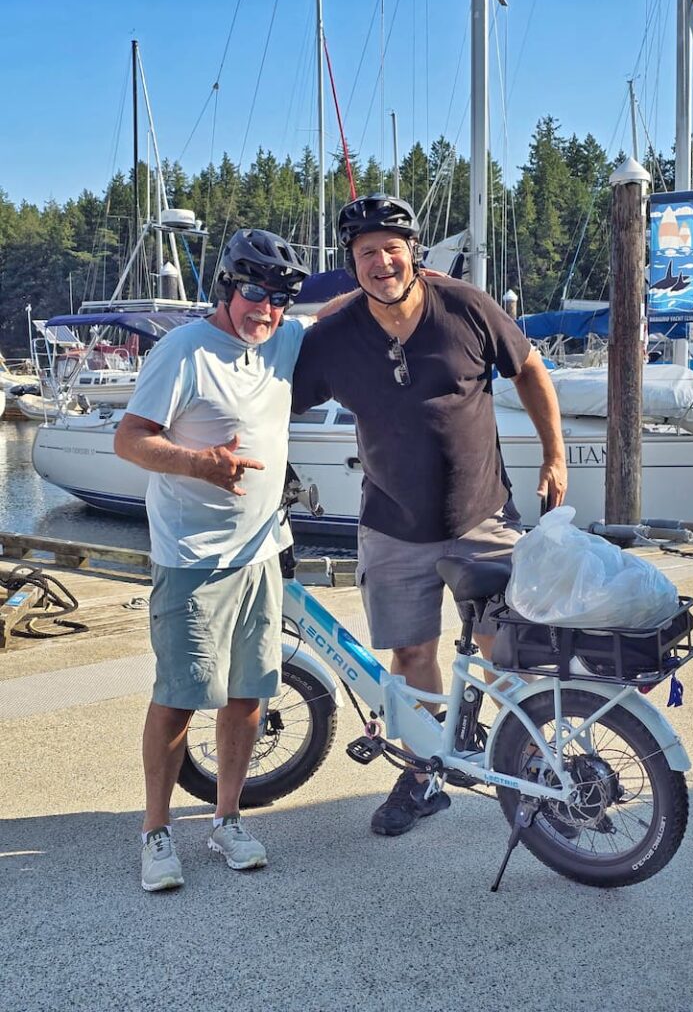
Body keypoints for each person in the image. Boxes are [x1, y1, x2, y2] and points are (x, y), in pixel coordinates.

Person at [291, 193, 567, 837]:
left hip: (482, 515)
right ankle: (423, 775)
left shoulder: (466, 306)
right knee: (412, 653)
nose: (381, 262)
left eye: (392, 248)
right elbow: (271, 395)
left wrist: (555, 456)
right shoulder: (333, 338)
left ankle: (538, 768)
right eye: (366, 253)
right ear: (351, 262)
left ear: (413, 251)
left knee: (508, 653)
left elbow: (529, 369)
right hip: (392, 524)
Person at [114, 228, 310, 891]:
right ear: (228, 287)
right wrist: (199, 464)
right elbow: (130, 441)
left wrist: (417, 276)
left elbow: (350, 307)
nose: (266, 309)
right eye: (255, 292)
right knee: (179, 699)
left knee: (250, 694)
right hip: (192, 559)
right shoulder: (183, 351)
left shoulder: (282, 339)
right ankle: (156, 830)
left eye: (279, 299)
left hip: (260, 553)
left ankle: (227, 818)